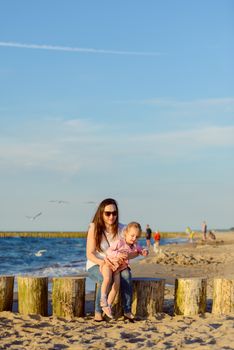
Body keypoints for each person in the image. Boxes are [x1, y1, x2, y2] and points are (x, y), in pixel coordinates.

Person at [86, 198, 139, 322]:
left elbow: (135, 251)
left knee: (126, 275)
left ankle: (127, 311)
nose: (111, 216)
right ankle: (98, 312)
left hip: (117, 264)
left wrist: (125, 257)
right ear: (101, 213)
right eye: (107, 213)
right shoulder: (94, 228)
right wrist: (103, 263)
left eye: (114, 213)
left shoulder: (123, 229)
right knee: (104, 279)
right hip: (96, 263)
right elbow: (90, 254)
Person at [99, 221, 149, 318]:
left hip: (118, 268)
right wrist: (118, 254)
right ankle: (103, 298)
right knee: (107, 278)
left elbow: (140, 250)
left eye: (137, 237)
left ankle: (108, 305)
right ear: (126, 233)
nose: (134, 239)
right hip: (109, 264)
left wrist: (144, 251)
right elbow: (109, 251)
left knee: (116, 285)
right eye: (132, 236)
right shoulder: (119, 242)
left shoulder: (135, 245)